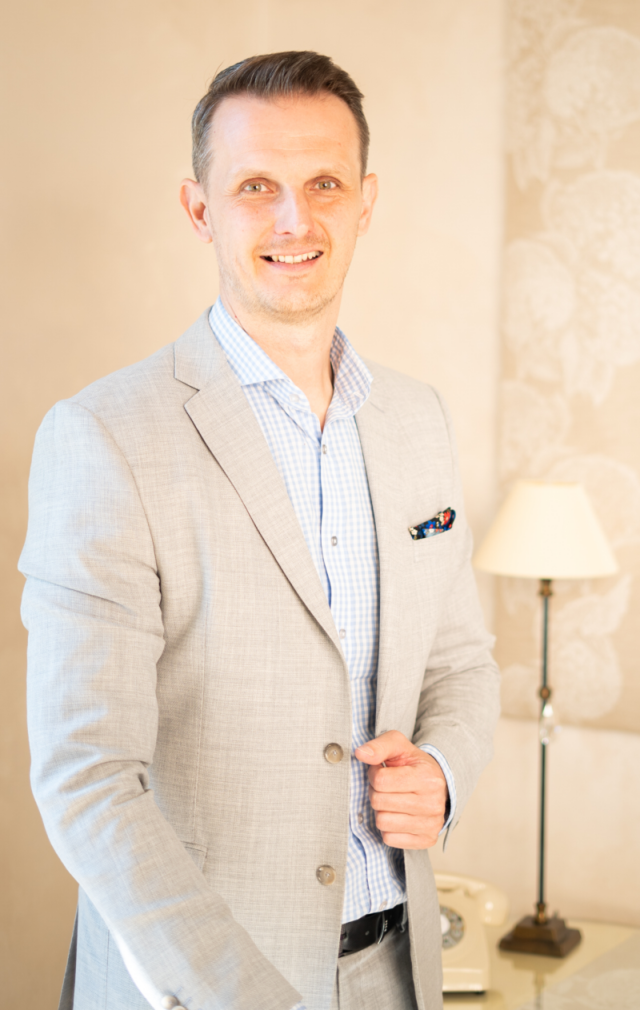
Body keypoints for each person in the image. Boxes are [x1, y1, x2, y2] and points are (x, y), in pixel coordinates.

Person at [20, 51, 500, 1010]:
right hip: (205, 987)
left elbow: (463, 663)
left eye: (324, 184)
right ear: (200, 209)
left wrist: (443, 771)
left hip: (397, 968)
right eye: (255, 187)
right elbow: (86, 775)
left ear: (365, 202)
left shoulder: (420, 420)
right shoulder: (104, 436)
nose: (295, 220)